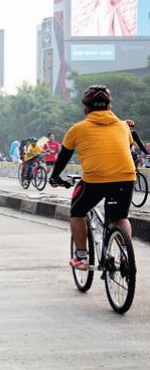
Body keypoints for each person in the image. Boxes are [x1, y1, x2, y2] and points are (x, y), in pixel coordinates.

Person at [49, 85, 136, 270]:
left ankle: (81, 256)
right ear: (109, 107)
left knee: (77, 211)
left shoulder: (77, 129)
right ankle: (126, 253)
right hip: (126, 177)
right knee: (120, 217)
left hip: (95, 180)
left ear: (86, 108)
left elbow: (62, 158)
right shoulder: (123, 126)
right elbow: (126, 151)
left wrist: (55, 177)